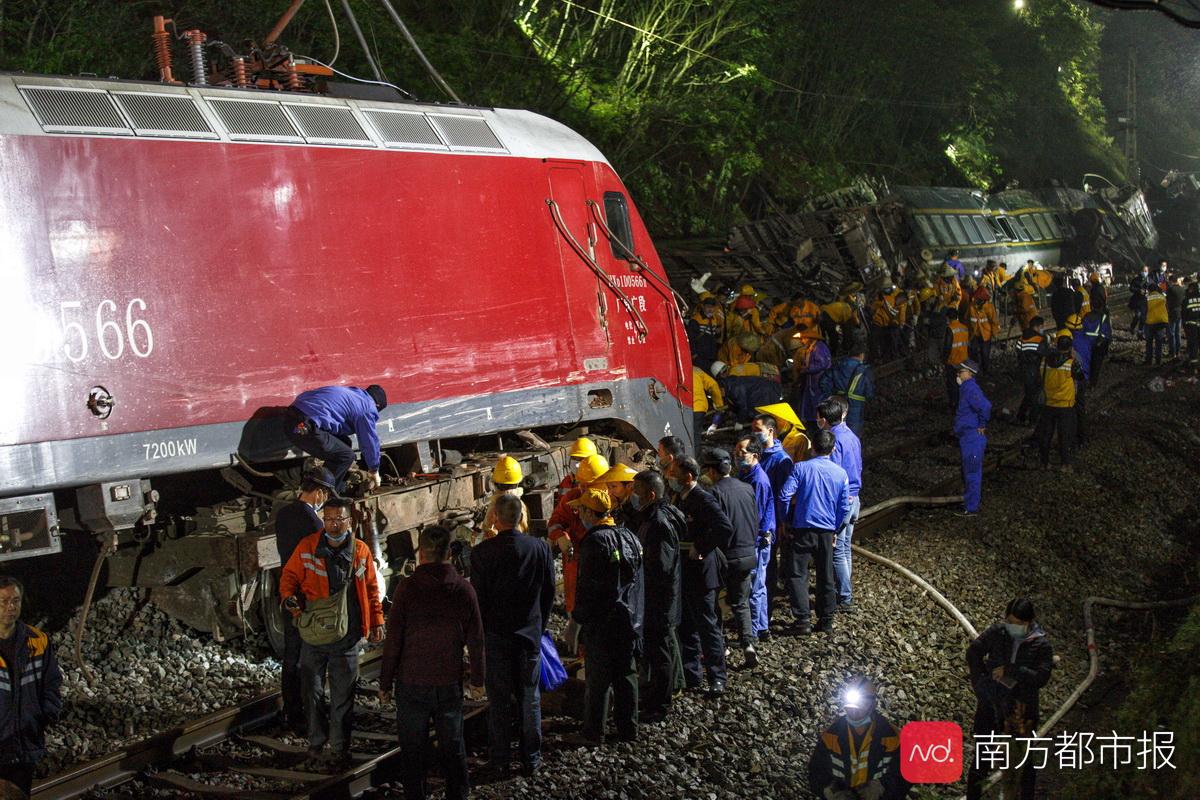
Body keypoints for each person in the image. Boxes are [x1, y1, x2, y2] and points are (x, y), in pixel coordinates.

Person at [379, 526, 484, 800]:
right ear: (449, 552)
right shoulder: (463, 589)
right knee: (453, 748)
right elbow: (476, 640)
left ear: (421, 553)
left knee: (413, 752)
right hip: (448, 681)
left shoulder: (407, 588)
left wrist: (385, 682)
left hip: (412, 682)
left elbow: (394, 640)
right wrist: (477, 680)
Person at [280, 497, 385, 766]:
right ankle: (316, 744)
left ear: (350, 521)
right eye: (328, 519)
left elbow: (372, 591)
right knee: (311, 692)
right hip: (313, 635)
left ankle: (338, 749)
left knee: (342, 696)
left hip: (346, 637)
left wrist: (377, 623)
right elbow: (289, 577)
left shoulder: (360, 552)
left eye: (339, 519)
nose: (333, 524)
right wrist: (290, 601)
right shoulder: (307, 547)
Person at [470, 494, 555, 778]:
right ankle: (531, 758)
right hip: (529, 635)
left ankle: (500, 759)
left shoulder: (482, 553)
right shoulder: (540, 548)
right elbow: (548, 593)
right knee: (530, 698)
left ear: (495, 517)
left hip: (496, 636)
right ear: (521, 517)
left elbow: (479, 601)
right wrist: (538, 626)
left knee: (499, 701)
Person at [570, 489, 645, 744]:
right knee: (626, 674)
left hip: (602, 621)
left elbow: (588, 587)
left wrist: (577, 621)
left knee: (598, 678)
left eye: (581, 510)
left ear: (592, 513)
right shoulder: (631, 537)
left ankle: (594, 732)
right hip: (629, 618)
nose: (579, 514)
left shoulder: (594, 542)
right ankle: (628, 729)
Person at [966, 598, 1054, 800]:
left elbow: (1041, 678)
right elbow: (973, 652)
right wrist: (980, 685)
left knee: (1023, 763)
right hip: (991, 703)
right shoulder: (998, 632)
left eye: (1019, 624)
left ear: (1030, 621)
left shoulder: (1041, 645)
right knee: (981, 758)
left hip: (1020, 710)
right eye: (1010, 621)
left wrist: (1012, 670)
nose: (1013, 627)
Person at [274, 466, 339, 733]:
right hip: (309, 597)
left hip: (288, 592)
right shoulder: (314, 524)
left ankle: (291, 711)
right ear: (320, 493)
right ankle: (306, 715)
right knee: (310, 657)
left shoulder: (283, 515)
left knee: (292, 655)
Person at [777, 429, 851, 634]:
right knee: (826, 575)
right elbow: (844, 507)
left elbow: (784, 496)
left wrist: (784, 520)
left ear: (812, 448)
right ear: (833, 449)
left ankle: (802, 620)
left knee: (797, 574)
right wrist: (836, 528)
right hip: (827, 531)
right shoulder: (841, 474)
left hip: (802, 529)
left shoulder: (800, 468)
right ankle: (826, 620)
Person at [671, 456, 733, 695]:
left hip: (703, 571)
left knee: (708, 625)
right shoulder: (680, 497)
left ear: (688, 477)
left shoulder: (702, 499)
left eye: (674, 473)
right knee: (686, 624)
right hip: (686, 571)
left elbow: (724, 528)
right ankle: (691, 674)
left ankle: (717, 676)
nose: (670, 477)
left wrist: (702, 546)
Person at [628, 470, 685, 722]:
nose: (634, 497)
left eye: (637, 492)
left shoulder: (658, 523)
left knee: (659, 652)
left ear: (651, 495)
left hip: (658, 601)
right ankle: (655, 697)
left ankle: (659, 705)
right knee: (656, 651)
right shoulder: (657, 517)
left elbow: (659, 568)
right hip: (659, 599)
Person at [0, 576, 62, 796]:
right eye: (4, 601)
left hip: (24, 741)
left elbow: (51, 683)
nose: (11, 607)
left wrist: (45, 715)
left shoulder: (37, 641)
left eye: (15, 600)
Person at [701, 448, 760, 667]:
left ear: (711, 470)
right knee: (741, 603)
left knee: (714, 602)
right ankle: (748, 644)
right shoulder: (747, 488)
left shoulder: (714, 492)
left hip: (725, 556)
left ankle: (721, 646)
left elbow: (715, 527)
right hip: (747, 554)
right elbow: (756, 519)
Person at [808, 676, 909, 800]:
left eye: (862, 703)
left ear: (873, 704)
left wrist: (882, 786)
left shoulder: (892, 737)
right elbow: (816, 771)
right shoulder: (831, 736)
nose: (855, 709)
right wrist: (830, 790)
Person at [286, 384, 387, 494]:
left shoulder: (353, 395)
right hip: (303, 427)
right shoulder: (367, 407)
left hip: (292, 419)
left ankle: (335, 486)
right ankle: (323, 495)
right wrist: (374, 469)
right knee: (346, 456)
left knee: (344, 443)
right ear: (377, 405)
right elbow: (369, 441)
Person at [547, 453, 609, 622]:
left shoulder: (613, 499)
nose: (582, 488)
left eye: (587, 485)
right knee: (575, 609)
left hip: (602, 562)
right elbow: (555, 522)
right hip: (575, 561)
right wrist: (560, 536)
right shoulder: (573, 497)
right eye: (580, 483)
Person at [817, 397, 861, 614]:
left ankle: (844, 596)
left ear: (824, 419)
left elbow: (833, 475)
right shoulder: (852, 435)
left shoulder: (834, 440)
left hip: (843, 501)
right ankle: (845, 591)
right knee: (844, 548)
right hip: (855, 497)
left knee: (836, 551)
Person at [750, 413, 794, 627]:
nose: (754, 433)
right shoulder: (760, 454)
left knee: (767, 569)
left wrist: (781, 522)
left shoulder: (781, 459)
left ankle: (765, 614)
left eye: (757, 429)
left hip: (770, 521)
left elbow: (782, 494)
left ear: (770, 431)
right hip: (758, 518)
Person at [733, 436, 775, 643]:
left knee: (756, 585)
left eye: (742, 453)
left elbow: (755, 515)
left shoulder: (758, 480)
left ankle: (757, 629)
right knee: (758, 584)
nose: (737, 456)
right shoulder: (747, 475)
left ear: (755, 456)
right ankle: (761, 625)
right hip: (756, 538)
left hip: (757, 540)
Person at [1036, 334, 1083, 471]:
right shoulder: (1071, 363)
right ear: (1069, 348)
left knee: (1046, 434)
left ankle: (1044, 463)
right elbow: (1080, 376)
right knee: (1064, 435)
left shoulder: (1045, 361)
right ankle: (1065, 464)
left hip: (1048, 402)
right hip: (1065, 404)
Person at [953, 360, 990, 516]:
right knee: (970, 471)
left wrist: (982, 424)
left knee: (972, 473)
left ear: (969, 373)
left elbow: (986, 406)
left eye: (961, 372)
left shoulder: (970, 389)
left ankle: (971, 508)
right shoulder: (967, 389)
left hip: (972, 437)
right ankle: (970, 502)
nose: (958, 375)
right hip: (968, 436)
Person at [820, 338, 875, 437]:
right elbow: (869, 391)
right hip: (856, 406)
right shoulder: (864, 370)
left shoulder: (838, 365)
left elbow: (823, 382)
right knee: (853, 434)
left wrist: (830, 396)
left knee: (837, 430)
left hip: (838, 404)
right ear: (862, 355)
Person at [790, 329, 832, 424]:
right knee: (810, 400)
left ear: (810, 338)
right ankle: (811, 420)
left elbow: (822, 364)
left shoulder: (820, 348)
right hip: (811, 380)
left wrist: (806, 369)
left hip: (819, 380)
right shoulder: (811, 348)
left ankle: (818, 421)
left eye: (804, 339)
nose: (802, 341)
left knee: (818, 401)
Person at [482, 456, 530, 537]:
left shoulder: (495, 506)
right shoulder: (520, 504)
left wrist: (471, 536)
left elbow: (488, 537)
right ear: (517, 483)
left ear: (495, 483)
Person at [1014, 316, 1047, 426]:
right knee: (1036, 396)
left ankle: (1021, 416)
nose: (1043, 329)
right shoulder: (1039, 339)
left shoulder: (1022, 337)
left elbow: (1018, 351)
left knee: (1029, 394)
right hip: (1034, 370)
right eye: (1042, 327)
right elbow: (1045, 353)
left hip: (1023, 369)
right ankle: (1033, 420)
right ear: (1037, 327)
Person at [1081, 290, 1112, 388]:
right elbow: (1107, 332)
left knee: (1087, 362)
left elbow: (1082, 329)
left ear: (1091, 306)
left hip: (1087, 343)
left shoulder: (1086, 316)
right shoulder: (1103, 317)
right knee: (1096, 365)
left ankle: (1085, 380)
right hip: (1099, 345)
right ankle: (1092, 383)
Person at [686, 293, 725, 369]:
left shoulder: (714, 319)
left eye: (713, 307)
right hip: (699, 355)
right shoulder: (695, 320)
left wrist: (718, 332)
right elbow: (690, 338)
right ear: (703, 306)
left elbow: (715, 337)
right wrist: (694, 354)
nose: (710, 309)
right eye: (708, 307)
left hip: (710, 354)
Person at [943, 309, 970, 413]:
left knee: (952, 384)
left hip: (953, 361)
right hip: (963, 359)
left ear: (948, 317)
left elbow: (947, 347)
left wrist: (944, 359)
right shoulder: (964, 328)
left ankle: (954, 405)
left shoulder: (950, 329)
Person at [692, 365, 726, 447]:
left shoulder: (669, 367)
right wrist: (719, 406)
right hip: (698, 406)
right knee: (694, 436)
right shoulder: (695, 369)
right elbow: (713, 385)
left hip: (679, 407)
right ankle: (694, 457)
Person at [967, 287, 999, 374]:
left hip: (986, 335)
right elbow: (967, 320)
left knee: (985, 354)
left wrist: (995, 334)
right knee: (973, 353)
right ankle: (974, 371)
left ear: (984, 300)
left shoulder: (989, 307)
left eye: (979, 299)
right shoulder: (971, 307)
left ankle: (985, 371)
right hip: (975, 334)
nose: (976, 300)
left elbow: (994, 322)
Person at [870, 284, 903, 362]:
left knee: (884, 342)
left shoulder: (890, 298)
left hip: (885, 325)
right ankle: (879, 358)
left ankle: (883, 358)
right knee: (880, 342)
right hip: (880, 324)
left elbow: (894, 311)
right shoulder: (881, 299)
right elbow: (873, 308)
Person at [1145, 281, 1169, 365]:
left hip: (1150, 322)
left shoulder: (1147, 298)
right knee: (1159, 342)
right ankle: (1158, 360)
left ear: (1149, 290)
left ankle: (1149, 361)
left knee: (1149, 342)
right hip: (1161, 322)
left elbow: (1144, 310)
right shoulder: (1162, 297)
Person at [1167, 274, 1187, 358]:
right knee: (1177, 332)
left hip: (1172, 312)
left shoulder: (1170, 289)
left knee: (1171, 333)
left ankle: (1173, 352)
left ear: (1171, 281)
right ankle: (1178, 351)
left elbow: (1168, 301)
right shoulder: (1183, 289)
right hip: (1180, 312)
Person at [1184, 278, 1200, 363]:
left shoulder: (1187, 300)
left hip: (1191, 325)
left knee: (1193, 344)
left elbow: (1184, 314)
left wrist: (1184, 325)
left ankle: (1193, 364)